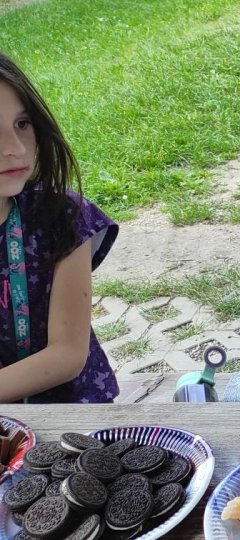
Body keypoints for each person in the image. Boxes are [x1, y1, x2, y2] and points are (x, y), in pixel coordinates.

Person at [0, 53, 119, 403]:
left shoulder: (61, 215)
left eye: (22, 124)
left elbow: (67, 355)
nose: (15, 148)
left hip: (71, 417)